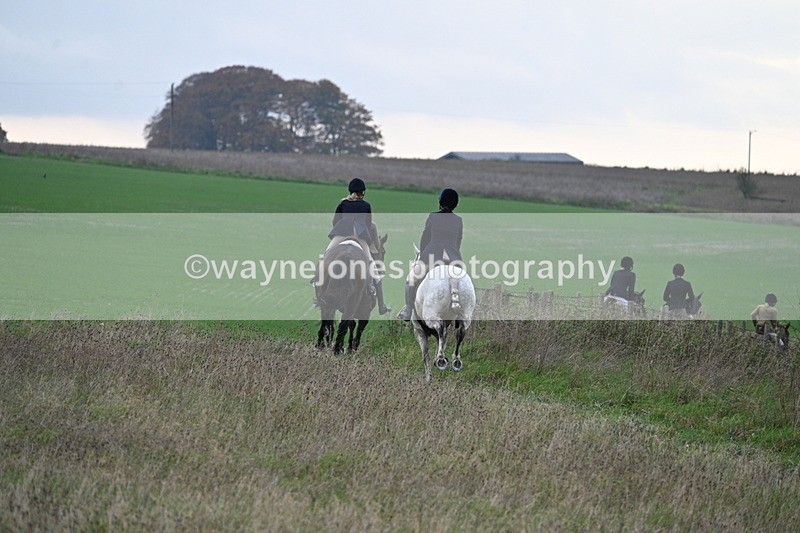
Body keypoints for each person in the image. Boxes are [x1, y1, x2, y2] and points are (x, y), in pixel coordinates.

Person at [323, 177, 390, 315]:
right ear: (362, 193)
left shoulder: (343, 203)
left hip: (342, 234)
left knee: (327, 254)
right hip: (359, 237)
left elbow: (335, 220)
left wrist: (342, 230)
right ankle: (381, 305)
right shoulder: (366, 205)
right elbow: (369, 224)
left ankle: (319, 279)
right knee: (372, 266)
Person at [397, 188, 463, 321]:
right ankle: (463, 314)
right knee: (464, 283)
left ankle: (408, 309)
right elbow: (458, 243)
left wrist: (423, 255)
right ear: (455, 204)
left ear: (440, 201)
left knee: (411, 278)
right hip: (453, 258)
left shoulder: (433, 216)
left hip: (433, 256)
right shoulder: (458, 220)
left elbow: (425, 238)